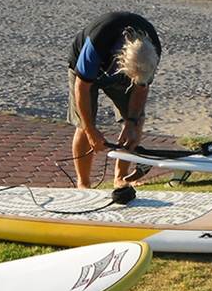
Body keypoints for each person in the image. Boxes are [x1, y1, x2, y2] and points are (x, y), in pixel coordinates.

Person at [68, 11, 162, 188]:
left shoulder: (152, 51)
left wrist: (131, 122)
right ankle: (83, 183)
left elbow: (141, 88)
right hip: (85, 73)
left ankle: (121, 178)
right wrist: (90, 130)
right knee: (84, 125)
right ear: (121, 60)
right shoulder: (98, 42)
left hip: (126, 66)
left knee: (136, 123)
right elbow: (82, 87)